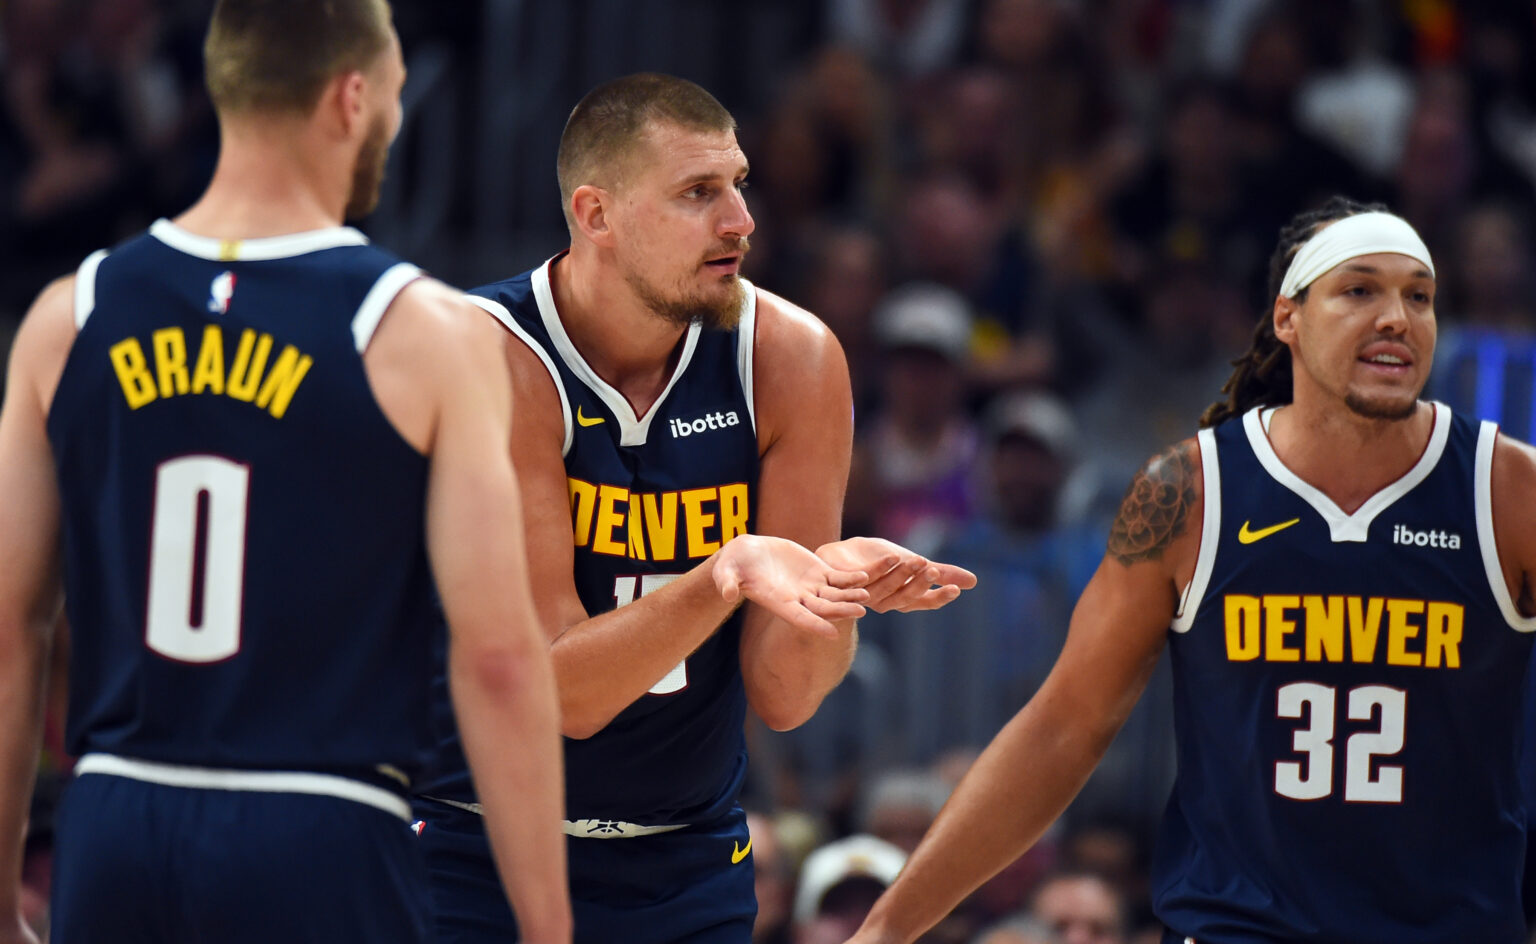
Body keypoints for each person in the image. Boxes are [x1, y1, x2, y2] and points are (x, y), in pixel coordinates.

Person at [0, 0, 576, 944]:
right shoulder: (424, 328)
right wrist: (549, 926)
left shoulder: (69, 315)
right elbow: (496, 656)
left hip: (114, 820)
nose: (391, 130)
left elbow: (11, 629)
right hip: (321, 823)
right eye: (393, 98)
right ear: (351, 97)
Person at [845, 195, 1536, 944]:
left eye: (1420, 296)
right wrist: (885, 930)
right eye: (1360, 289)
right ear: (1288, 319)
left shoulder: (1508, 494)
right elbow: (1062, 730)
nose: (1398, 316)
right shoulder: (1190, 494)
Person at [412, 72, 975, 943]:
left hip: (687, 864)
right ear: (596, 215)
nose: (740, 220)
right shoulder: (487, 353)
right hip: (474, 844)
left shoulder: (794, 359)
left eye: (740, 184)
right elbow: (557, 692)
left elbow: (784, 696)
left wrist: (833, 597)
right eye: (698, 193)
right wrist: (725, 574)